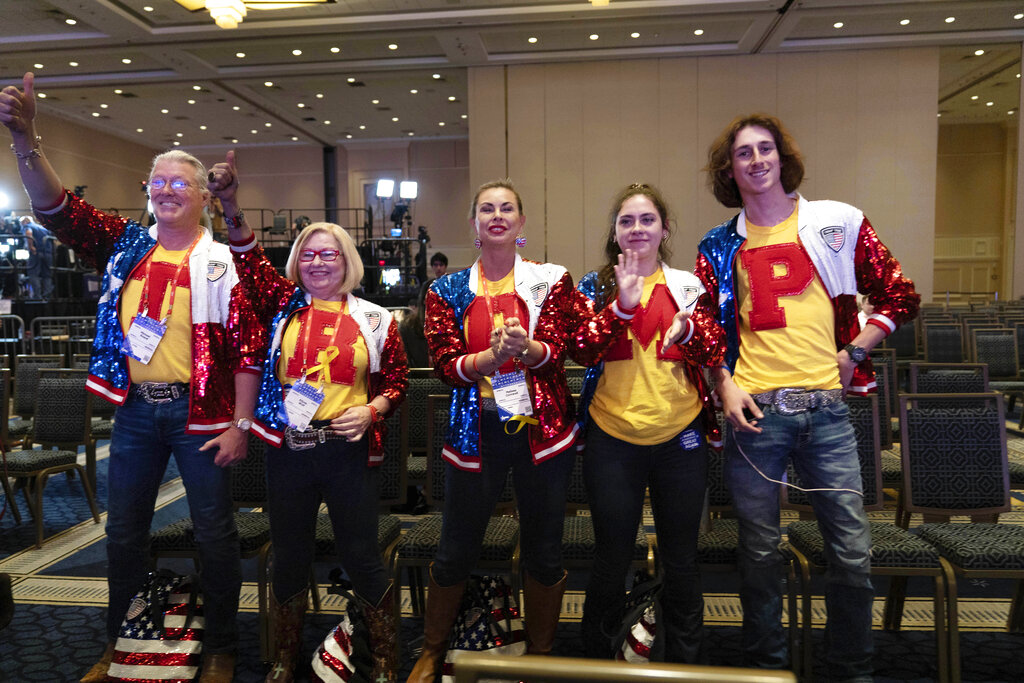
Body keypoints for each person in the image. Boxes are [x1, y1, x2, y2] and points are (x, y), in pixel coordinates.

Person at [0, 72, 260, 683]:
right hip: (137, 411)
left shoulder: (224, 263)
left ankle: (222, 647)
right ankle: (122, 644)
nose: (167, 189)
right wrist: (25, 136)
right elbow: (55, 207)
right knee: (123, 538)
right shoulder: (125, 247)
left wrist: (242, 425)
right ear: (148, 193)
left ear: (202, 196)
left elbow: (250, 351)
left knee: (216, 537)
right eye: (158, 181)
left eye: (180, 182)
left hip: (204, 415)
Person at [695, 113, 919, 681]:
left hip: (827, 413)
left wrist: (855, 352)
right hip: (757, 416)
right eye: (743, 153)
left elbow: (899, 294)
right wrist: (724, 382)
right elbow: (705, 332)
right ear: (730, 169)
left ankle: (851, 670)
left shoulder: (836, 221)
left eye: (765, 148)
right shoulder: (718, 245)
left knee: (850, 553)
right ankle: (766, 669)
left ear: (782, 156)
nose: (756, 160)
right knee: (759, 557)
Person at [210, 152, 408, 683]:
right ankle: (283, 658)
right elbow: (248, 256)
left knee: (363, 555)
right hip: (289, 452)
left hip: (348, 453)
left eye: (331, 255)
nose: (320, 263)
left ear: (348, 262)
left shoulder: (376, 319)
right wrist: (229, 204)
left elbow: (397, 382)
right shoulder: (280, 307)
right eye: (311, 255)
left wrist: (372, 409)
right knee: (290, 556)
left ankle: (386, 659)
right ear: (298, 262)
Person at [408, 179, 578, 682]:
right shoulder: (447, 289)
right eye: (487, 209)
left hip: (539, 430)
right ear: (474, 224)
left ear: (522, 223)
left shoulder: (551, 279)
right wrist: (488, 358)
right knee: (457, 544)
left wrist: (528, 351)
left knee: (545, 547)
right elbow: (442, 363)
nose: (498, 216)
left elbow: (562, 347)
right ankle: (433, 649)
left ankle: (541, 655)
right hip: (476, 429)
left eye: (508, 209)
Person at [571, 183, 726, 662]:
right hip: (612, 440)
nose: (636, 229)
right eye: (626, 221)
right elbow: (579, 350)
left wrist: (691, 331)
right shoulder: (594, 286)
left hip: (679, 438)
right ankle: (599, 661)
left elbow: (717, 350)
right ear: (615, 233)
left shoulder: (688, 286)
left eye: (646, 220)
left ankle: (685, 662)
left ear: (663, 229)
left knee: (681, 561)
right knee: (611, 558)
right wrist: (619, 306)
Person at [20, 214, 53, 299]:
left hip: (36, 253)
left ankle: (37, 297)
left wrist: (31, 247)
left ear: (24, 221)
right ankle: (47, 297)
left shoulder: (27, 226)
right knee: (47, 275)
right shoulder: (42, 227)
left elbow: (28, 233)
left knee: (33, 274)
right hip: (48, 253)